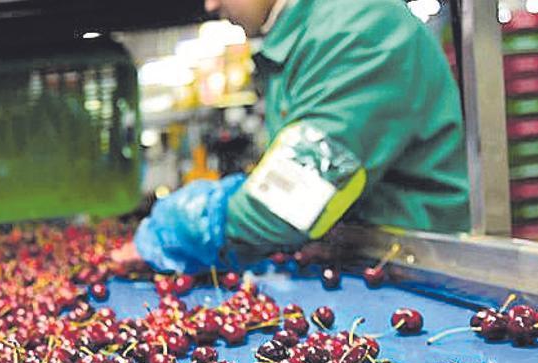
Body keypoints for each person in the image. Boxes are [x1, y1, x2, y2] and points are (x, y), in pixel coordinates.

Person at [119, 0, 470, 273]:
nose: (210, 5)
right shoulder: (307, 34)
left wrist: (178, 234)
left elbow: (290, 201)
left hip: (419, 265)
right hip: (370, 256)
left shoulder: (357, 29)